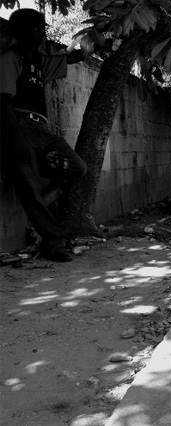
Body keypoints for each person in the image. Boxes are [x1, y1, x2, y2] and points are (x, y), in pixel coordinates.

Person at [0, 9, 92, 262]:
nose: (41, 33)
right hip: (20, 126)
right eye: (35, 28)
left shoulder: (39, 62)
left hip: (42, 129)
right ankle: (54, 243)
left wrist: (89, 40)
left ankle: (41, 197)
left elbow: (71, 58)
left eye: (42, 28)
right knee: (29, 189)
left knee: (78, 167)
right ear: (19, 32)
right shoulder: (10, 59)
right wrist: (16, 138)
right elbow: (4, 101)